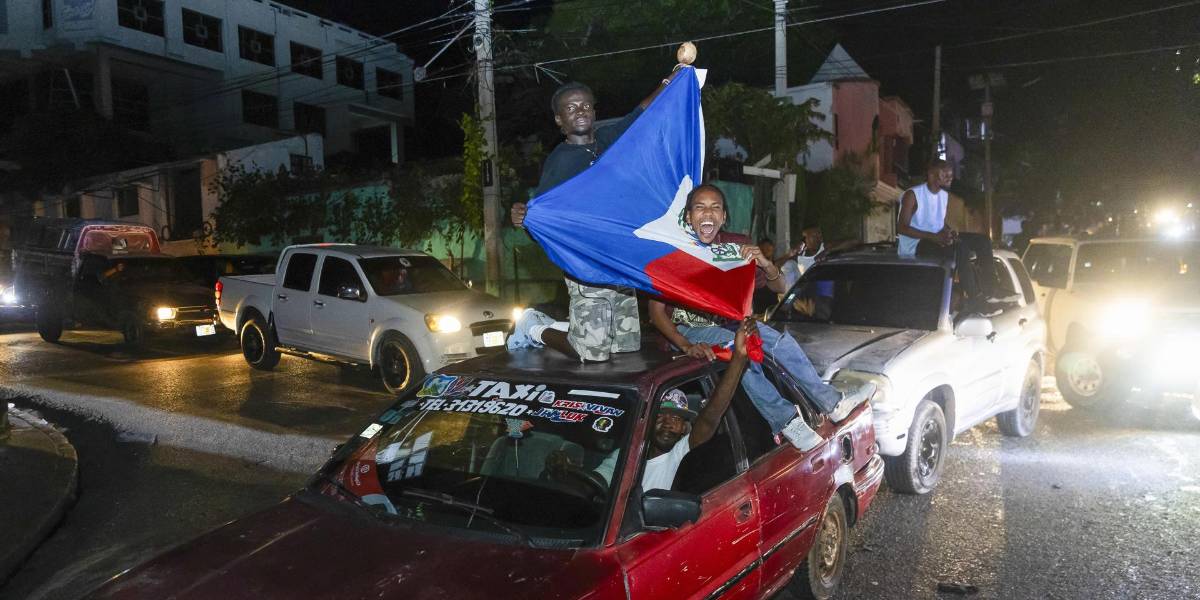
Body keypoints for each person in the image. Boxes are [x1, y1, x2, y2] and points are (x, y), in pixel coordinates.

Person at [648, 184, 875, 451]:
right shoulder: (674, 253)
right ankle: (786, 422)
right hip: (688, 330)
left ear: (723, 217)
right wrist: (685, 345)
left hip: (727, 322)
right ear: (688, 217)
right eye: (699, 207)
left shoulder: (735, 247)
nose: (707, 213)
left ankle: (833, 404)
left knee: (781, 343)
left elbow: (780, 288)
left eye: (715, 207)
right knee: (740, 351)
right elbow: (655, 312)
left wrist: (765, 263)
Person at [509, 75, 676, 362]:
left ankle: (578, 328)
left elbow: (641, 113)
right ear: (559, 120)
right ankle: (534, 327)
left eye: (585, 105)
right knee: (592, 351)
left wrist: (672, 79)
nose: (580, 111)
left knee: (626, 346)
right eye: (571, 108)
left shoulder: (607, 140)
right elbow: (542, 213)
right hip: (585, 264)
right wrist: (523, 218)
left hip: (617, 262)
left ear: (594, 112)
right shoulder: (561, 161)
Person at [641, 318, 754, 491]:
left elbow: (710, 417)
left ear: (683, 429)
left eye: (676, 417)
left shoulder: (678, 454)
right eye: (661, 415)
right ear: (646, 423)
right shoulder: (626, 456)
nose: (667, 423)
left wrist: (738, 359)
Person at [897, 160, 1011, 312]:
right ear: (931, 175)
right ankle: (975, 299)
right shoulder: (912, 195)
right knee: (960, 248)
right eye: (945, 175)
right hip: (914, 245)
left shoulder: (943, 196)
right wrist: (934, 237)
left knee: (982, 241)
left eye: (951, 175)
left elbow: (938, 224)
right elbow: (902, 228)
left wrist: (949, 232)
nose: (950, 178)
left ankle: (991, 288)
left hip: (933, 238)